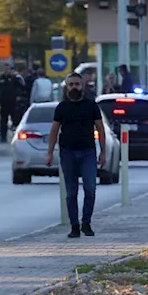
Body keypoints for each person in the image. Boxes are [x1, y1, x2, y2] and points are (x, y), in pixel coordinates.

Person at [46, 72, 105, 238]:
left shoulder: (91, 106)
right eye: (71, 84)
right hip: (67, 153)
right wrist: (50, 153)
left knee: (90, 188)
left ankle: (86, 223)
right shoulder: (62, 108)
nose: (74, 87)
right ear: (66, 87)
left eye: (77, 84)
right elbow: (54, 130)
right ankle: (74, 226)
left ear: (83, 86)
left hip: (88, 152)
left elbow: (100, 129)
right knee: (71, 192)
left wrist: (103, 152)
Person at [0, 67, 22, 142]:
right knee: (3, 121)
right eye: (5, 69)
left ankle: (15, 137)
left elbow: (20, 87)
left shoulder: (14, 79)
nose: (6, 71)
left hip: (12, 103)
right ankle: (3, 137)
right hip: (3, 103)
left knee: (15, 120)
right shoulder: (0, 79)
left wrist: (18, 96)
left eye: (8, 69)